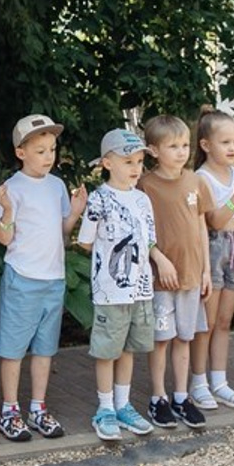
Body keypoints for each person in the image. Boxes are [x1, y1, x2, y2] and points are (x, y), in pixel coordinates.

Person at [0, 114, 86, 442]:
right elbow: (3, 239)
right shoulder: (11, 189)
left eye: (52, 149)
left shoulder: (57, 185)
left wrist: (74, 211)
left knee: (45, 349)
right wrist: (5, 210)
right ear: (21, 153)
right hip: (23, 276)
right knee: (13, 349)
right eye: (41, 150)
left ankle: (37, 408)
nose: (49, 156)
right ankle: (9, 410)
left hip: (53, 278)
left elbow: (62, 231)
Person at [77, 129, 166, 441]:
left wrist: (159, 260)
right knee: (107, 349)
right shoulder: (99, 199)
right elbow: (86, 242)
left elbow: (149, 238)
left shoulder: (142, 199)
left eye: (139, 161)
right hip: (110, 290)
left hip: (141, 288)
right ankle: (105, 408)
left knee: (129, 347)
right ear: (107, 163)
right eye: (128, 161)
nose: (135, 168)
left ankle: (124, 404)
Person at [140, 114, 212, 430]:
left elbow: (201, 226)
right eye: (173, 146)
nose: (181, 152)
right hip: (162, 277)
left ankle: (181, 395)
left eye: (185, 145)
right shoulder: (145, 185)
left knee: (184, 336)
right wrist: (158, 258)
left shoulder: (195, 180)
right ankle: (158, 398)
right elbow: (141, 230)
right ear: (154, 150)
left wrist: (207, 270)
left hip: (192, 274)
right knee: (161, 338)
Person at [194, 108, 234, 408]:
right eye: (226, 142)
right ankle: (198, 381)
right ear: (206, 145)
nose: (233, 148)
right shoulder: (201, 178)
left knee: (224, 321)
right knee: (207, 320)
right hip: (214, 246)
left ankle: (219, 380)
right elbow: (214, 221)